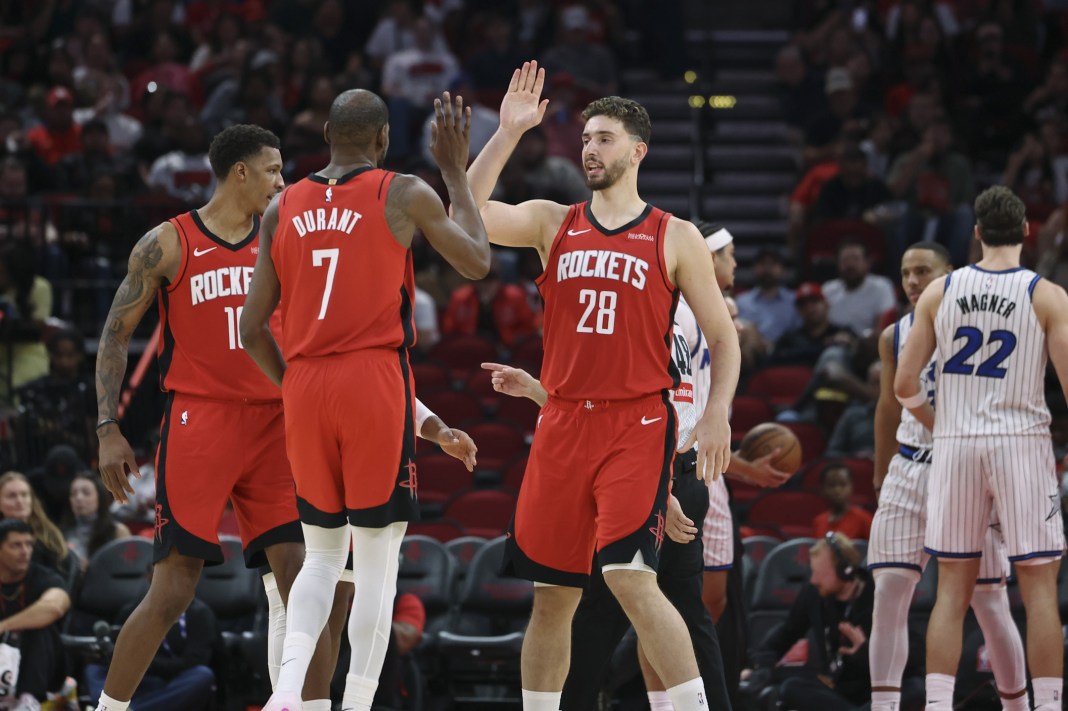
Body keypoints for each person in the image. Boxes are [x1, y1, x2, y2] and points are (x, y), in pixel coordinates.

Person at [463, 60, 739, 711]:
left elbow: (724, 338)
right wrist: (507, 133)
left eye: (605, 139)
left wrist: (719, 411)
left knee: (631, 577)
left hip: (636, 422)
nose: (590, 149)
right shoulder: (552, 221)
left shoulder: (675, 235)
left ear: (637, 151)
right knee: (552, 596)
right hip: (561, 422)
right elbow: (464, 214)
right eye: (586, 139)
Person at [240, 87, 489, 711]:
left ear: (327, 133)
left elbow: (250, 330)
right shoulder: (401, 192)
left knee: (321, 556)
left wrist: (294, 388)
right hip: (370, 378)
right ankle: (355, 704)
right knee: (377, 562)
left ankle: (287, 693)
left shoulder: (283, 205)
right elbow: (477, 262)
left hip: (303, 383)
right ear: (383, 139)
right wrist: (455, 172)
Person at [92, 125, 335, 711]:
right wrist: (107, 426)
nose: (282, 181)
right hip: (200, 421)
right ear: (240, 172)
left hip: (275, 424)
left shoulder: (285, 238)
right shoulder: (169, 242)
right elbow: (115, 334)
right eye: (273, 170)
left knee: (303, 586)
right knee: (172, 591)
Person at [895, 186, 1066, 711]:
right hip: (1021, 442)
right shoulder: (1047, 295)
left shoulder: (939, 292)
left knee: (952, 591)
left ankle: (937, 706)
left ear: (976, 234)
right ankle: (1048, 705)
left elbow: (904, 385)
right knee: (1039, 590)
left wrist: (941, 424)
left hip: (956, 445)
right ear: (1026, 232)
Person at [871, 240, 1029, 711]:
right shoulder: (894, 334)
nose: (913, 281)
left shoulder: (986, 325)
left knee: (989, 602)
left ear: (951, 273)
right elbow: (887, 406)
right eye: (906, 273)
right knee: (888, 591)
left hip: (968, 472)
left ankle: (1019, 705)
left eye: (923, 271)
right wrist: (880, 473)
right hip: (909, 467)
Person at [747, 533, 923, 711]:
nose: (814, 580)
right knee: (791, 687)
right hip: (838, 689)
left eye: (820, 574)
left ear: (845, 571)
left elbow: (916, 654)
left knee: (916, 688)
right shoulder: (814, 593)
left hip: (877, 689)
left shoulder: (880, 596)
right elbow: (787, 632)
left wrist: (868, 651)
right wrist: (763, 665)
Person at [85, 564, 217, 711]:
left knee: (202, 675)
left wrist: (148, 664)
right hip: (138, 682)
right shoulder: (132, 610)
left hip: (171, 682)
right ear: (149, 578)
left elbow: (194, 661)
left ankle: (132, 709)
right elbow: (118, 654)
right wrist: (108, 652)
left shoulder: (200, 614)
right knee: (94, 670)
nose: (168, 583)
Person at [0, 518, 70, 709]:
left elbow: (55, 607)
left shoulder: (44, 577)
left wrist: (4, 626)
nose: (25, 551)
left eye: (29, 544)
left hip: (38, 665)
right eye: (16, 545)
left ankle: (28, 701)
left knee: (41, 628)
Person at [0, 471, 70, 576]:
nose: (19, 501)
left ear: (31, 499)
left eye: (24, 495)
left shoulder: (49, 534)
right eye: (12, 496)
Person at [59, 473, 131, 569]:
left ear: (100, 497)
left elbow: (128, 568)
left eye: (86, 493)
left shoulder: (117, 531)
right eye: (73, 494)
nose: (78, 498)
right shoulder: (61, 533)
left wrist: (93, 568)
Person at [810, 462, 873, 540]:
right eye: (831, 485)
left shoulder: (864, 519)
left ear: (851, 487)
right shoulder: (818, 522)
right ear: (822, 489)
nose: (837, 490)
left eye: (843, 484)